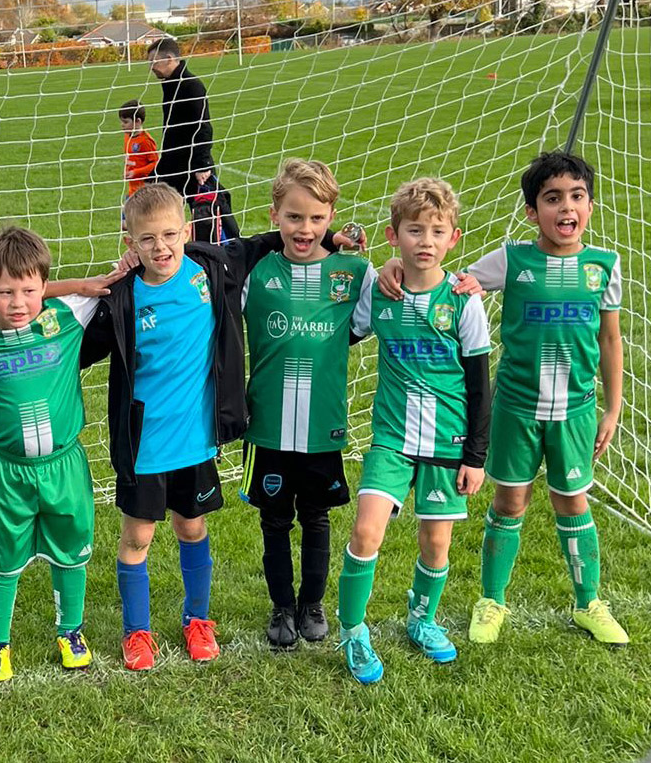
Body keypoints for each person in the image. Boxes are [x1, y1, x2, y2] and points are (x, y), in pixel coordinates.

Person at [378, 152, 628, 646]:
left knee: (572, 500)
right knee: (511, 501)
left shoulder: (603, 266)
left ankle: (588, 602)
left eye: (576, 197)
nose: (565, 208)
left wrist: (613, 407)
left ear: (591, 205)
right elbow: (444, 278)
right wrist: (393, 263)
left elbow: (610, 340)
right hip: (515, 408)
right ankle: (491, 600)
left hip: (576, 411)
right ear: (533, 211)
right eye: (552, 198)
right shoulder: (512, 260)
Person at [81, 182, 246, 670]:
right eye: (147, 239)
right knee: (137, 539)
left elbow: (267, 243)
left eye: (170, 235)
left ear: (187, 231)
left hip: (195, 442)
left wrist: (338, 241)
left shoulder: (210, 271)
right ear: (129, 243)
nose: (161, 247)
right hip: (144, 448)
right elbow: (78, 351)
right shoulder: (122, 300)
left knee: (191, 528)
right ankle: (137, 633)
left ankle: (198, 620)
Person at [338, 178, 491, 684]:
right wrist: (367, 267)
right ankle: (353, 631)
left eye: (436, 231)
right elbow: (346, 333)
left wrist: (476, 454)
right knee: (366, 530)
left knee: (436, 544)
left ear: (454, 238)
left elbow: (478, 383)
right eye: (414, 230)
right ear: (393, 236)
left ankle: (421, 619)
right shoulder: (380, 292)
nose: (425, 240)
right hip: (391, 437)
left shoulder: (464, 301)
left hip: (448, 444)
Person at [0, 227, 121, 682]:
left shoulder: (63, 319)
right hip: (8, 473)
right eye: (4, 293)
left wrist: (78, 285)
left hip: (64, 466)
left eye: (29, 290)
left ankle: (71, 632)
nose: (18, 302)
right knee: (3, 559)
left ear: (43, 289)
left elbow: (105, 284)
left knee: (72, 551)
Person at [226, 159, 373, 649]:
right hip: (266, 427)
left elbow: (385, 307)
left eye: (315, 218)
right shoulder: (256, 273)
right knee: (274, 520)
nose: (304, 228)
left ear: (331, 216)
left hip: (322, 426)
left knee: (316, 517)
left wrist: (393, 265)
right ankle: (281, 609)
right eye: (293, 217)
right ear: (275, 215)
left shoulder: (354, 273)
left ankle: (312, 605)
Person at [146, 38, 240, 239]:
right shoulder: (170, 85)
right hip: (173, 163)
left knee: (214, 206)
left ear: (170, 59)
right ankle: (149, 251)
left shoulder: (192, 86)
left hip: (191, 164)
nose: (150, 68)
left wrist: (202, 164)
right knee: (150, 203)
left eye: (153, 62)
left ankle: (234, 247)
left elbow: (203, 127)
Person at [119, 99, 158, 200]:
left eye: (125, 122)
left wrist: (135, 172)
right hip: (132, 189)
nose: (122, 125)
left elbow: (155, 164)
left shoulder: (146, 141)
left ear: (138, 121)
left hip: (144, 190)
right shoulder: (127, 136)